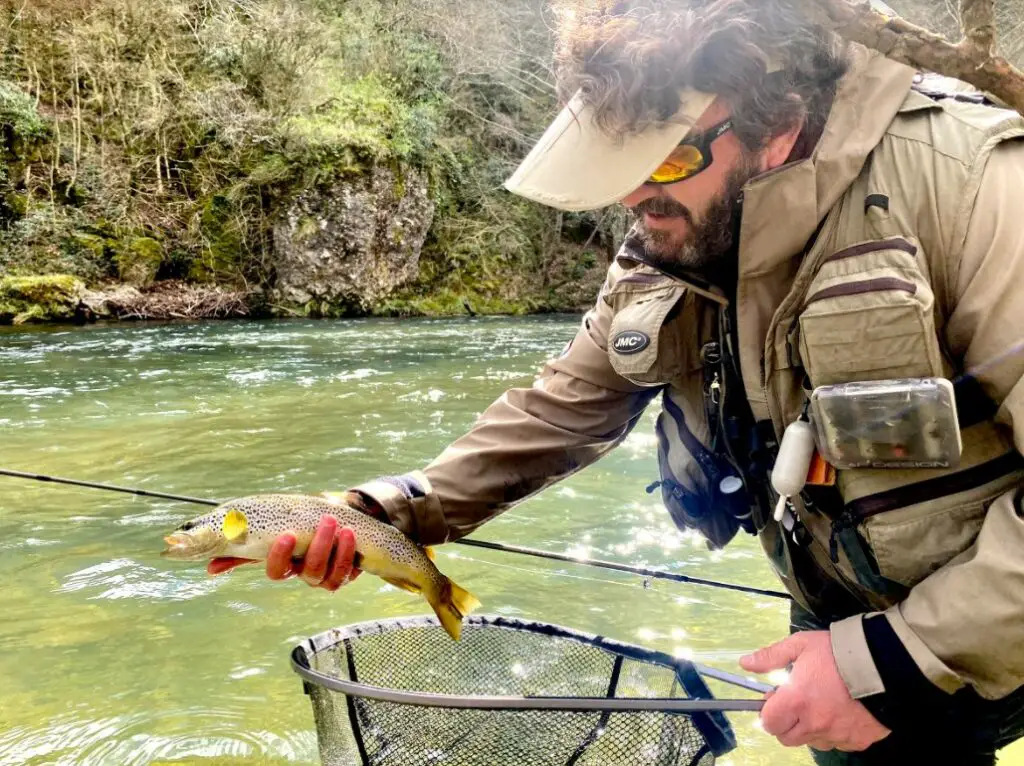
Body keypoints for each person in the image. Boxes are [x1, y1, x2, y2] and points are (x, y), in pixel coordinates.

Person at [211, 1, 1024, 762]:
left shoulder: (979, 189)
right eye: (619, 164)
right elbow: (562, 408)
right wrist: (384, 512)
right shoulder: (678, 230)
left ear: (774, 125)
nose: (634, 196)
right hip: (845, 615)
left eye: (663, 159)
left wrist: (899, 655)